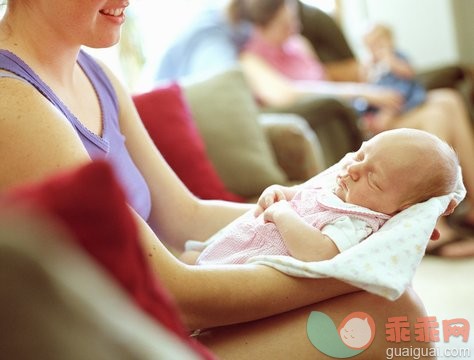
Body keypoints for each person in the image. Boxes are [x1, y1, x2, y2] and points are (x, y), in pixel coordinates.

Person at [0, 1, 439, 358]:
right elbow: (178, 295)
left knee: (392, 310)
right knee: (393, 315)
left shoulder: (94, 74)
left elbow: (186, 216)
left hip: (146, 315)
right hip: (110, 338)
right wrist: (361, 264)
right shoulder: (12, 103)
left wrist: (353, 223)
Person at [233, 0, 474, 258]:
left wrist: (380, 63)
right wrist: (364, 93)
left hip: (359, 109)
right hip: (353, 125)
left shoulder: (299, 45)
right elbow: (285, 94)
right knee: (436, 116)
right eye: (287, 22)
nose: (296, 26)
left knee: (447, 100)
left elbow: (327, 77)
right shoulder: (250, 59)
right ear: (262, 26)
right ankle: (431, 226)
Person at [181, 129, 459, 265]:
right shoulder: (341, 190)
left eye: (373, 178)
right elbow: (304, 195)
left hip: (246, 267)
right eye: (360, 155)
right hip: (236, 244)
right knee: (188, 256)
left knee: (187, 272)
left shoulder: (356, 222)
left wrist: (282, 213)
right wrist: (281, 192)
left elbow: (318, 252)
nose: (353, 169)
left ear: (399, 210)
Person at [357, 23, 427, 135]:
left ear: (390, 41)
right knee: (362, 104)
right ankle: (369, 121)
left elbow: (410, 73)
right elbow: (365, 84)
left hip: (399, 92)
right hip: (378, 96)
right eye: (370, 46)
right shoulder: (369, 64)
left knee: (391, 107)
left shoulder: (397, 56)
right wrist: (365, 70)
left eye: (378, 44)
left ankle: (384, 121)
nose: (375, 49)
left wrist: (391, 61)